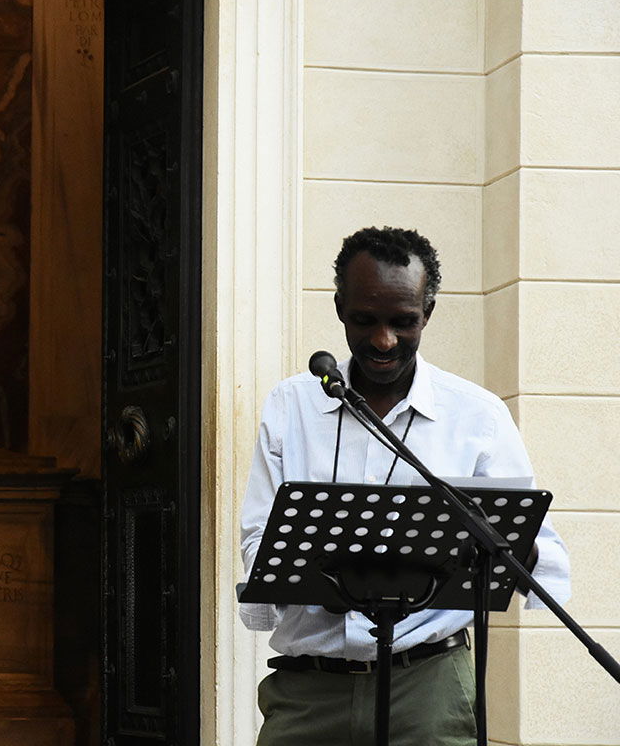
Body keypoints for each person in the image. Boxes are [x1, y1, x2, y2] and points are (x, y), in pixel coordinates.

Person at [239, 226, 571, 746]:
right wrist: (319, 583)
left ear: (428, 313)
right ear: (339, 307)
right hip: (308, 691)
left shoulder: (477, 415)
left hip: (430, 687)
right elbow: (259, 538)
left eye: (403, 322)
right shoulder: (292, 405)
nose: (384, 340)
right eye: (365, 320)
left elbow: (537, 554)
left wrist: (505, 552)